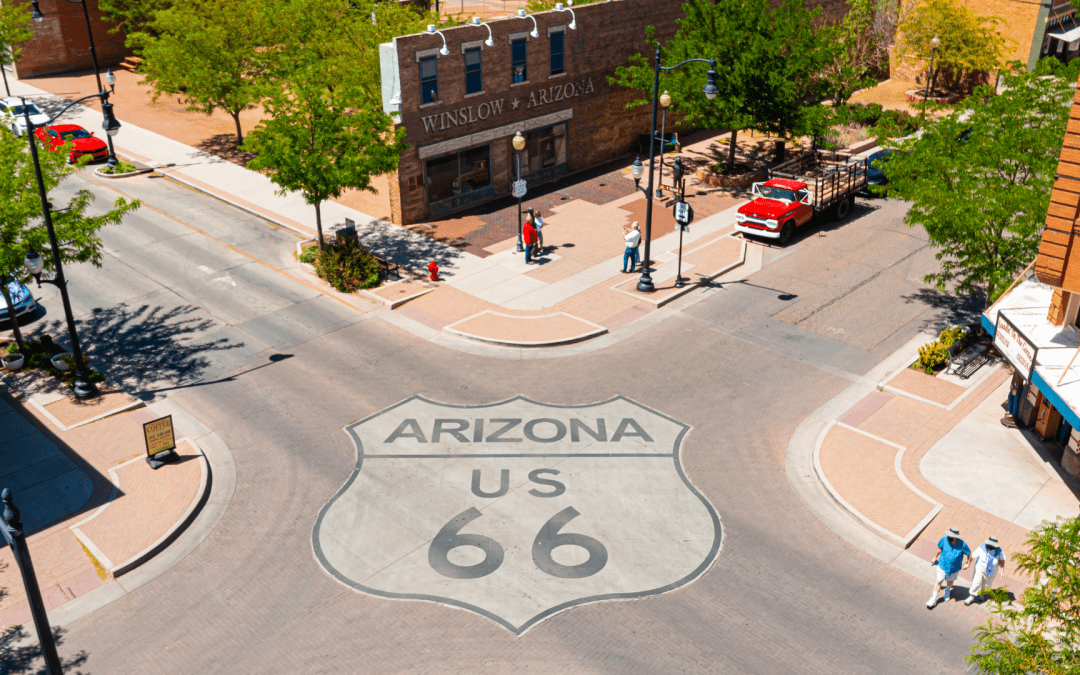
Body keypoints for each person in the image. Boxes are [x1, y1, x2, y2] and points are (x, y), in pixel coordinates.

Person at [928, 527, 971, 608]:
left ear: (955, 537)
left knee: (950, 582)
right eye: (948, 535)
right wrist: (935, 556)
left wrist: (968, 563)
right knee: (938, 581)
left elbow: (969, 553)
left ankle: (947, 590)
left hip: (954, 569)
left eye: (950, 536)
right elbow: (939, 548)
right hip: (942, 565)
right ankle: (933, 600)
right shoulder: (944, 539)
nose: (948, 536)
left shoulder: (963, 545)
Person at [964, 536, 1006, 606]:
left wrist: (1002, 571)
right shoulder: (981, 548)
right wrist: (968, 564)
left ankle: (982, 593)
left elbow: (1002, 561)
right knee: (976, 583)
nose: (991, 546)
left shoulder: (999, 551)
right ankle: (971, 596)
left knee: (986, 585)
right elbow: (973, 556)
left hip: (991, 572)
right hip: (980, 569)